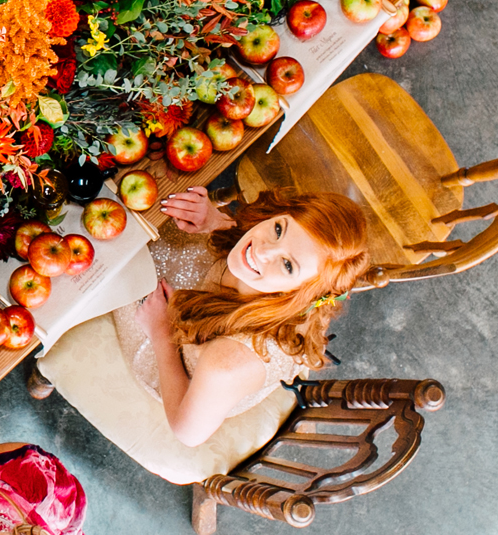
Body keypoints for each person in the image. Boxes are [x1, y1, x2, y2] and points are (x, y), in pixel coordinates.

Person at [27, 189, 371, 485]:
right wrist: (216, 222)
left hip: (177, 360)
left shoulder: (229, 363)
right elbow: (266, 248)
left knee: (102, 260)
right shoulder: (271, 263)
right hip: (200, 298)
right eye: (278, 228)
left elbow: (187, 432)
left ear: (299, 294)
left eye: (287, 265)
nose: (262, 249)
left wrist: (161, 333)